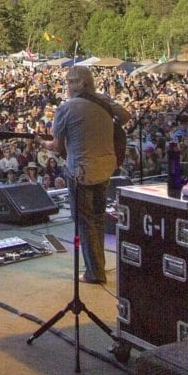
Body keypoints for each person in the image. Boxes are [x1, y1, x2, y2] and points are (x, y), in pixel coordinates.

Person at [49, 66, 131, 285]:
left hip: (81, 171)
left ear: (80, 83)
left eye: (69, 82)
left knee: (84, 222)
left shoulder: (67, 108)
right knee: (97, 218)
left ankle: (94, 273)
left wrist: (42, 143)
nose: (66, 86)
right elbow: (125, 116)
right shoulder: (103, 101)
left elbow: (57, 147)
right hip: (105, 167)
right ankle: (99, 266)